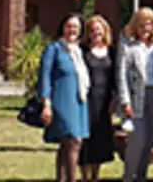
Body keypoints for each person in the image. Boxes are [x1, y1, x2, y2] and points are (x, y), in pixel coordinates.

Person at [117, 7, 153, 182]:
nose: (146, 30)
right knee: (136, 139)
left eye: (149, 26)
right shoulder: (127, 45)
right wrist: (125, 101)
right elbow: (121, 74)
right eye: (142, 26)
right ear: (135, 26)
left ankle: (141, 176)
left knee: (149, 140)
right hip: (136, 95)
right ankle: (129, 176)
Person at [38, 13, 91, 182]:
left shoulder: (78, 51)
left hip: (79, 101)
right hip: (61, 101)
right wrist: (46, 103)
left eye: (75, 27)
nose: (72, 30)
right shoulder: (54, 49)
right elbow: (44, 77)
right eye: (69, 26)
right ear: (62, 28)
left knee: (67, 144)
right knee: (73, 140)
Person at [78, 15, 117, 182]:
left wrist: (114, 102)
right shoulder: (82, 51)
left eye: (99, 30)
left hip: (105, 102)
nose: (96, 33)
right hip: (86, 100)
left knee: (100, 138)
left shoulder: (112, 51)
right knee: (85, 138)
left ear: (105, 31)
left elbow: (115, 79)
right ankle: (84, 175)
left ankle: (95, 176)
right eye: (93, 30)